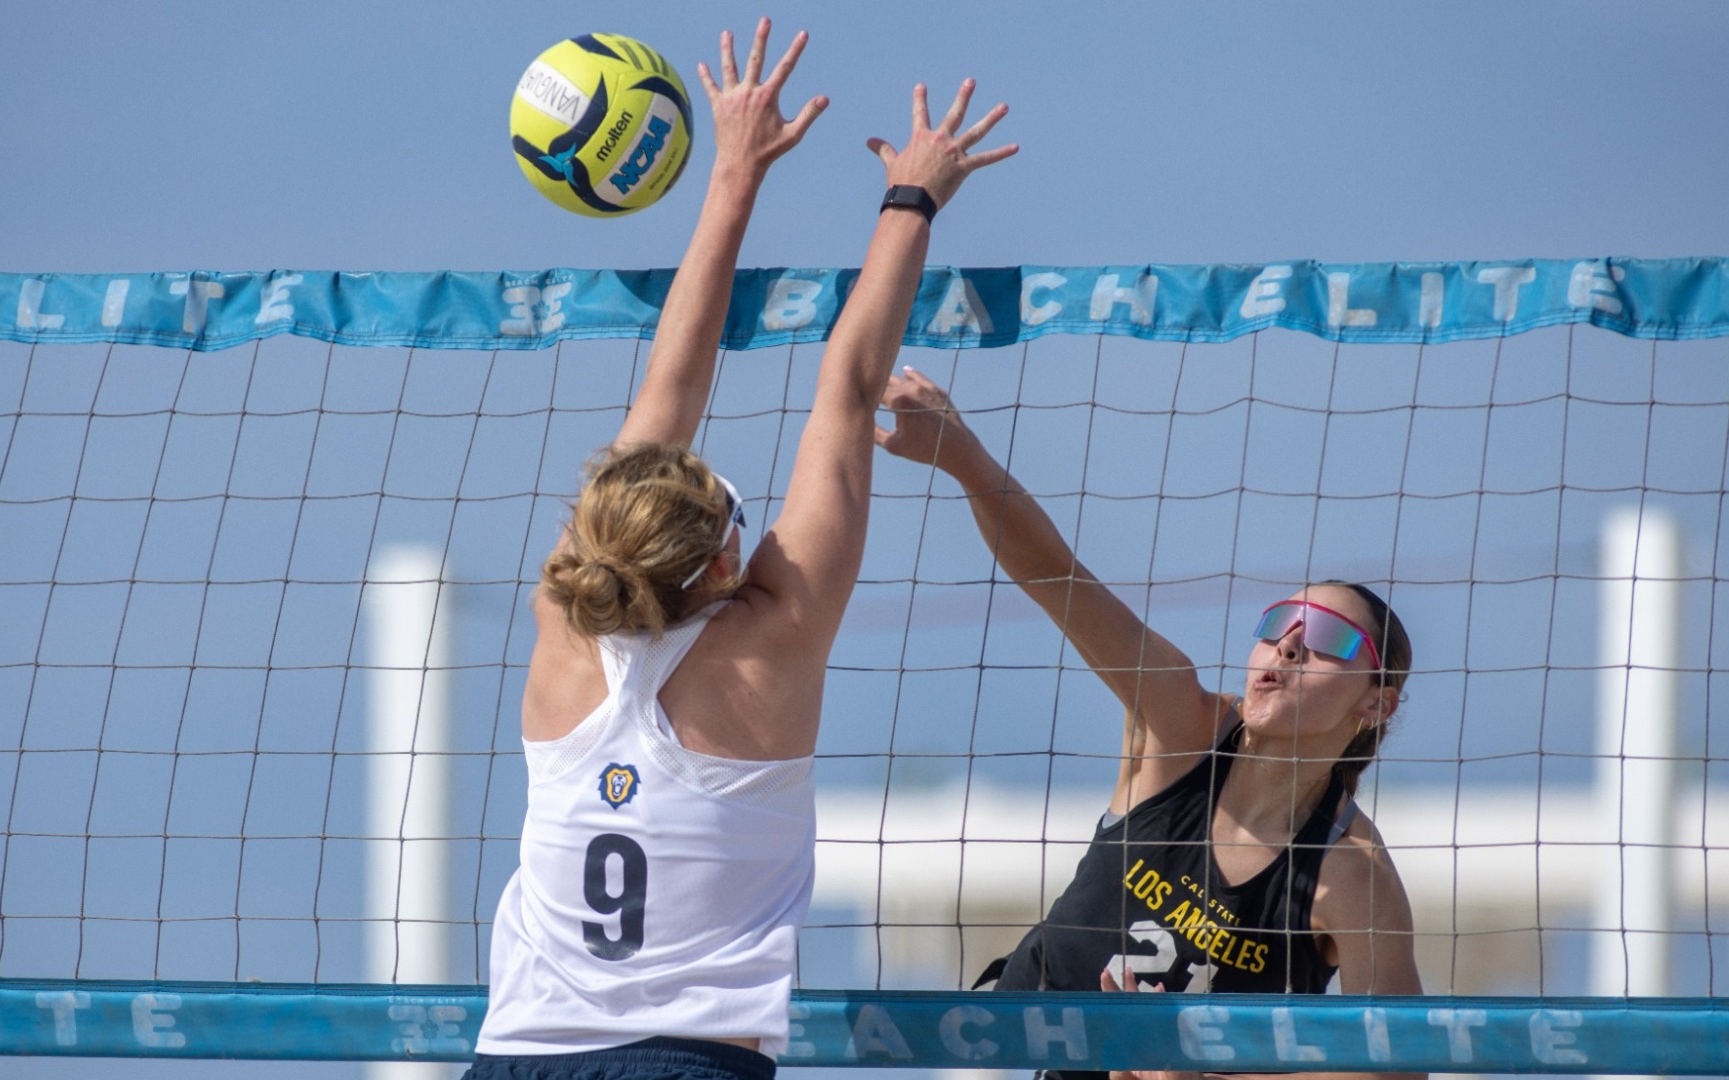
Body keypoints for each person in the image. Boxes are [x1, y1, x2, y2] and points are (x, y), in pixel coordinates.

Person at [471, 20, 1017, 1080]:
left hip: (518, 1055)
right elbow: (849, 391)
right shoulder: (771, 643)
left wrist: (732, 175)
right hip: (685, 1065)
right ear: (727, 564)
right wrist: (912, 197)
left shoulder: (563, 624)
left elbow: (665, 405)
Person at [874, 367, 1423, 1080]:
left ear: (1375, 703)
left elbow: (1395, 1069)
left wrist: (1205, 1074)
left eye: (1327, 636)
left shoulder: (1353, 876)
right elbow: (1057, 579)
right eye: (1277, 622)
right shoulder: (1180, 723)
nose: (1288, 642)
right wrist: (962, 455)